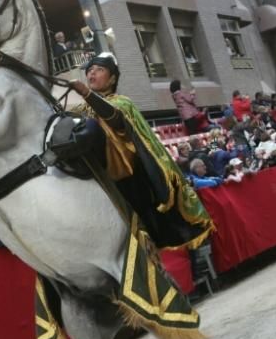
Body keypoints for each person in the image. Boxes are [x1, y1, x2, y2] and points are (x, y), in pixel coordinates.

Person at [57, 54, 214, 250]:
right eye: (89, 71)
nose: (91, 73)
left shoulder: (122, 102)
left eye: (98, 69)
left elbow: (113, 117)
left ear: (112, 78)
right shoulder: (81, 109)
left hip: (133, 178)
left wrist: (86, 93)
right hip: (102, 181)